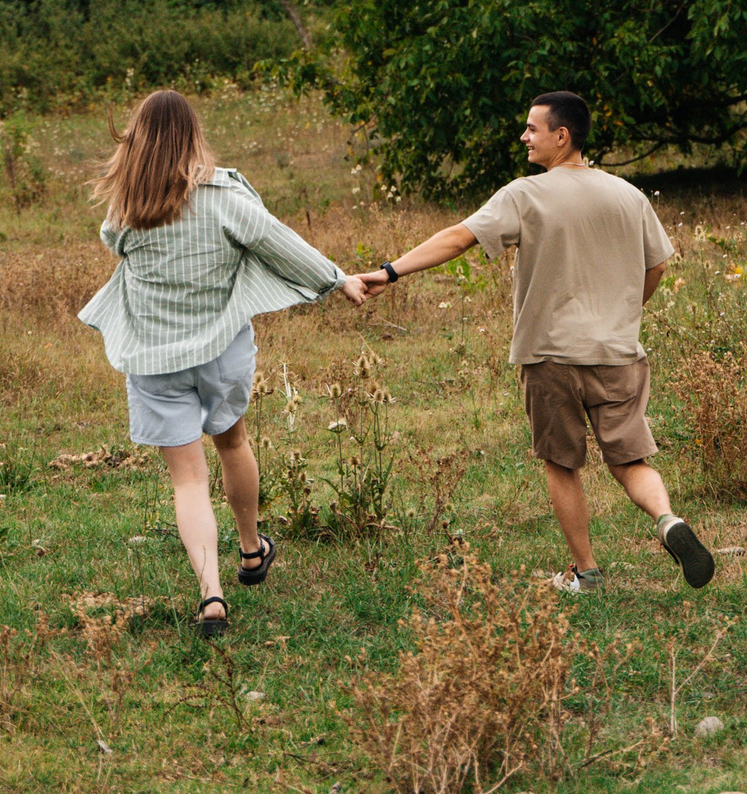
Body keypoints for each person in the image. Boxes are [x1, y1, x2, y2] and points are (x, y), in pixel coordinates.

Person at [358, 91, 712, 594]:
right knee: (630, 461)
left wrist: (389, 272)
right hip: (617, 353)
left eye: (532, 128)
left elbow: (458, 238)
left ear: (561, 136)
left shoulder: (525, 195)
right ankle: (668, 520)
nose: (524, 137)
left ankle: (586, 572)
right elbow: (656, 265)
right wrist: (621, 312)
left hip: (551, 356)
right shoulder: (628, 195)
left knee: (561, 463)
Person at [78, 89, 366, 637]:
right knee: (233, 443)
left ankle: (211, 594)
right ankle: (252, 550)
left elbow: (113, 243)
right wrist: (337, 279)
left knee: (188, 480)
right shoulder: (224, 197)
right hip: (221, 351)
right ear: (193, 137)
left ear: (138, 141)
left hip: (155, 358)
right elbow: (280, 242)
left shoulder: (127, 209)